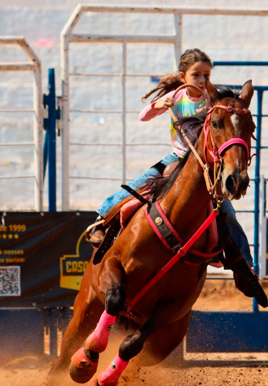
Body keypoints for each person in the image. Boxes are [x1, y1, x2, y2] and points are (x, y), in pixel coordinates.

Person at [88, 48, 254, 268]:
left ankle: (243, 261)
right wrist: (158, 105)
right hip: (177, 157)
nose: (202, 80)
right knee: (142, 183)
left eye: (206, 75)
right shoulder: (176, 96)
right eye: (196, 75)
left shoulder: (211, 101)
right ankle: (101, 220)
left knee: (225, 210)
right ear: (182, 77)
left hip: (203, 163)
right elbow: (143, 115)